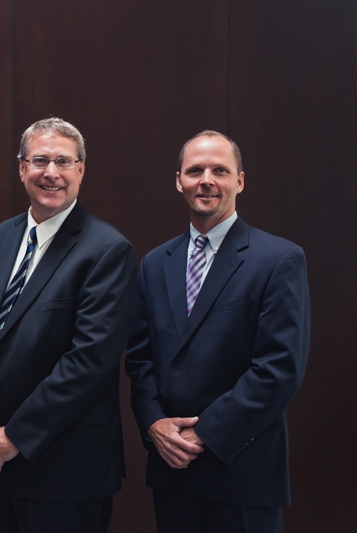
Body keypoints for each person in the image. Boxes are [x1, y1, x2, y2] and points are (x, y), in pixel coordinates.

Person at [0, 117, 137, 532]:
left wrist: (16, 435)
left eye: (63, 161)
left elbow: (89, 362)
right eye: (39, 160)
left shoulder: (107, 250)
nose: (51, 172)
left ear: (81, 170)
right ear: (22, 169)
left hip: (64, 469)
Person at [125, 131, 310, 532]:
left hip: (243, 470)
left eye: (220, 171)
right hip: (173, 471)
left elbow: (279, 368)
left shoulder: (279, 259)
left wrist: (204, 433)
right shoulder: (155, 264)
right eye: (195, 171)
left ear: (239, 181)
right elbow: (140, 359)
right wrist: (154, 424)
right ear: (179, 181)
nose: (206, 180)